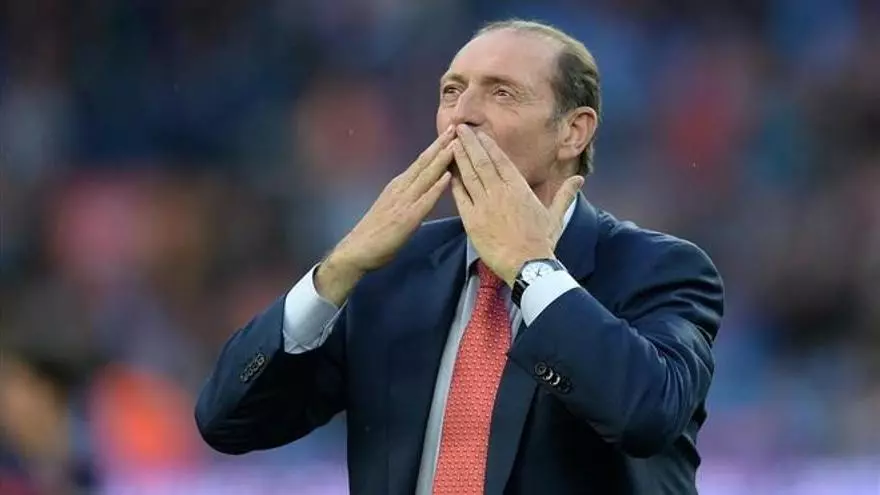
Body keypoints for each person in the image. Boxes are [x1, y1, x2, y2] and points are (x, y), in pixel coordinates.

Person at [195, 19, 724, 495]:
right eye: (452, 91)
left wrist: (531, 270)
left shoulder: (660, 269)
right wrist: (339, 269)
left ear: (573, 131)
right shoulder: (393, 271)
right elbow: (229, 422)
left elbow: (646, 415)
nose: (463, 115)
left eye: (502, 93)